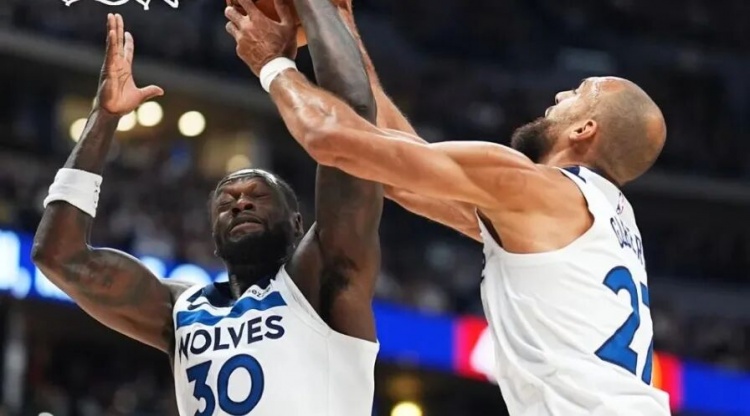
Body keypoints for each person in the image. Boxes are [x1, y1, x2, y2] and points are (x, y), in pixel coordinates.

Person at [226, 2, 672, 413]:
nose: (559, 96)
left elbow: (330, 140)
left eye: (576, 93)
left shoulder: (535, 189)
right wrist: (341, 22)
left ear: (584, 129)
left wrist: (273, 65)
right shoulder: (601, 217)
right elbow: (400, 176)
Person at [33, 8, 384, 415]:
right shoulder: (180, 309)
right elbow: (59, 256)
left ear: (296, 223)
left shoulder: (320, 283)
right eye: (226, 201)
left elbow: (355, 125)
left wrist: (315, 6)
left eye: (257, 195)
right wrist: (104, 117)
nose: (240, 203)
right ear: (213, 236)